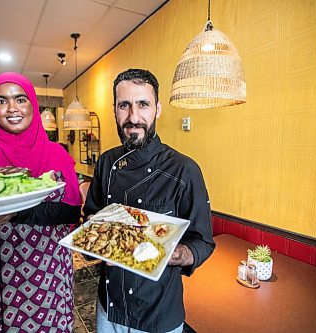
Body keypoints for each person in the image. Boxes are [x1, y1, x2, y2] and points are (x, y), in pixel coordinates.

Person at [83, 68, 216, 333]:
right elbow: (92, 216)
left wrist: (177, 254)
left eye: (143, 104)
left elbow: (203, 241)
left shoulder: (184, 170)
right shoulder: (107, 162)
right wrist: (93, 239)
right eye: (124, 105)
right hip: (109, 307)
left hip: (158, 314)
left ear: (157, 109)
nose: (133, 117)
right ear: (115, 110)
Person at [0, 72, 81, 332]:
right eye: (2, 101)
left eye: (20, 99)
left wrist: (13, 212)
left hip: (48, 279)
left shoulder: (57, 154)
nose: (12, 108)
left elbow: (70, 212)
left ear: (32, 103)